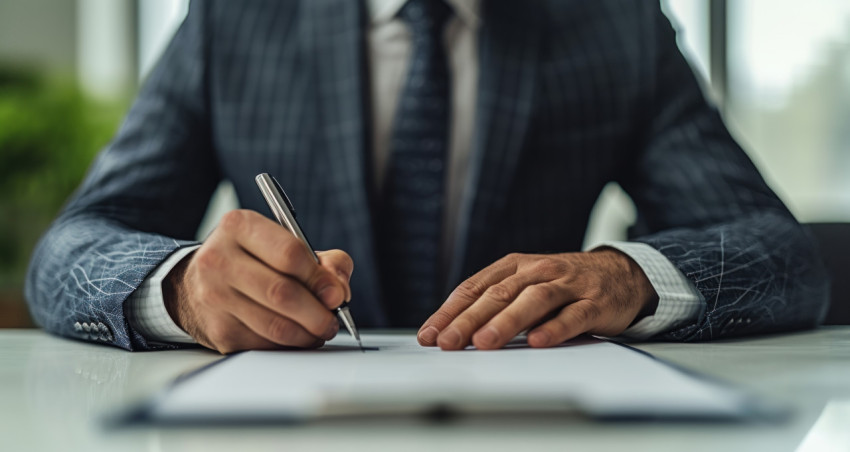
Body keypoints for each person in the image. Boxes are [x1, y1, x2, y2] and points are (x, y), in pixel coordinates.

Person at [26, 0, 829, 354]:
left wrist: (630, 278)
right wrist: (181, 292)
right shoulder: (234, 19)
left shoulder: (614, 22)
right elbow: (69, 251)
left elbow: (781, 254)